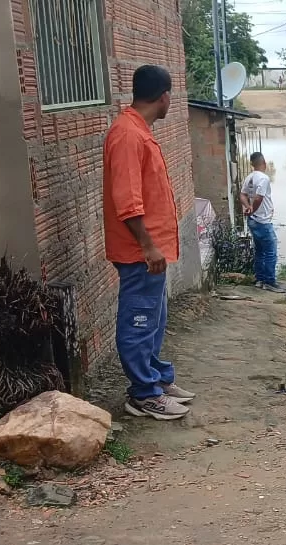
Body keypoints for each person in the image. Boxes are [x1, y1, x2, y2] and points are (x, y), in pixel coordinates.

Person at [103, 65, 193, 421]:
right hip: (139, 252)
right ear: (164, 97)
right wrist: (148, 246)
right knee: (138, 321)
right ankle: (144, 394)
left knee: (154, 318)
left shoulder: (139, 131)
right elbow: (127, 201)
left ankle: (157, 378)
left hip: (151, 252)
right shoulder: (128, 135)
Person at [240, 152, 285, 293]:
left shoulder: (249, 177)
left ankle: (259, 279)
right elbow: (259, 198)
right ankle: (269, 281)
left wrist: (248, 207)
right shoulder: (264, 178)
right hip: (262, 221)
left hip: (252, 220)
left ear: (252, 164)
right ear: (264, 163)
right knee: (271, 251)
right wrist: (252, 209)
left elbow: (242, 194)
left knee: (259, 251)